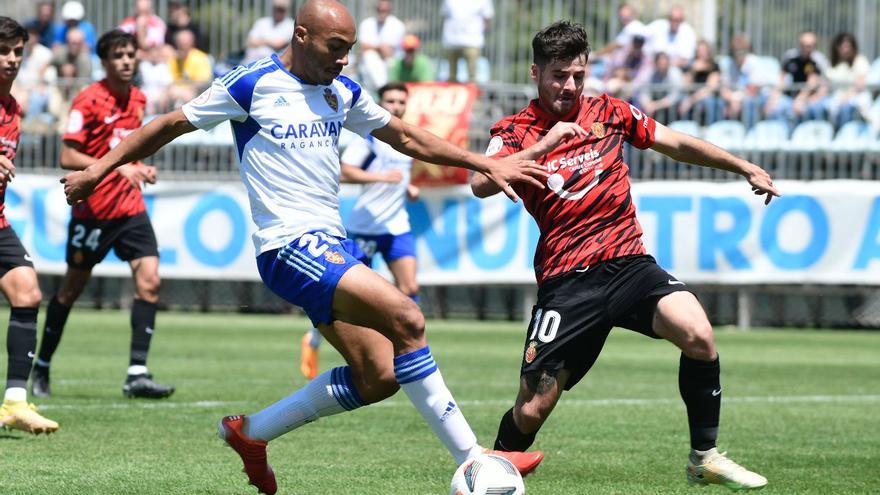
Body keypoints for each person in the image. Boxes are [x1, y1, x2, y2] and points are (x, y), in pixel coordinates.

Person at [60, 1, 547, 493]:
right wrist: (97, 170)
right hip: (288, 245)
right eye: (335, 48)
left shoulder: (341, 91)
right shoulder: (251, 83)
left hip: (331, 245)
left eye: (350, 50)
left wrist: (482, 164)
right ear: (300, 35)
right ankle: (474, 458)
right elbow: (166, 125)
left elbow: (403, 136)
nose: (344, 60)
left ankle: (252, 433)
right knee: (408, 318)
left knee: (379, 375)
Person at [471, 21, 776, 491]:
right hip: (568, 278)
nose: (569, 86)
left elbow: (672, 142)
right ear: (536, 73)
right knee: (533, 408)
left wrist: (741, 165)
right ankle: (488, 477)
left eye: (577, 75)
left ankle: (704, 457)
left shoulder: (609, 112)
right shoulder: (513, 131)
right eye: (558, 76)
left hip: (630, 264)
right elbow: (480, 183)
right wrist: (544, 144)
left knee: (698, 333)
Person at [30, 30, 174, 401]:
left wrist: (139, 167)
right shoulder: (88, 99)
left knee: (150, 282)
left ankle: (137, 374)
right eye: (119, 56)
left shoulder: (139, 99)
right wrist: (116, 169)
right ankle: (42, 365)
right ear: (105, 62)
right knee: (71, 291)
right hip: (92, 213)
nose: (127, 61)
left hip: (130, 210)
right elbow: (68, 156)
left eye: (131, 54)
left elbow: (128, 148)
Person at [299, 81, 420, 380]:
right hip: (365, 225)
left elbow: (398, 177)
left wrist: (408, 187)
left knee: (410, 288)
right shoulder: (369, 139)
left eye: (400, 102)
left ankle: (406, 349)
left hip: (395, 226)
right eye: (390, 101)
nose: (396, 106)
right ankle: (313, 338)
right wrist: (380, 178)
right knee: (351, 295)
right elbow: (345, 171)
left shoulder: (404, 140)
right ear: (381, 103)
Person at [0, 16, 59, 435]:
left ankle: (15, 402)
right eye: (3, 51)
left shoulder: (13, 108)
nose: (11, 59)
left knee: (28, 291)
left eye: (17, 52)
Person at [356, 0, 406, 92]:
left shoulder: (398, 25)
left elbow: (388, 52)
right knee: (370, 56)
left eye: (385, 10)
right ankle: (383, 89)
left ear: (390, 10)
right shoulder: (366, 23)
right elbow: (363, 46)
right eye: (380, 10)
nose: (382, 12)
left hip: (392, 61)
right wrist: (379, 48)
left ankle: (383, 90)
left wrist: (373, 47)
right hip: (370, 63)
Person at [824, 32, 871, 128]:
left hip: (855, 97)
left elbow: (860, 83)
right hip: (836, 98)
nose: (846, 50)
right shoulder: (833, 64)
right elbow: (826, 84)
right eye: (842, 47)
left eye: (848, 46)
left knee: (846, 109)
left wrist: (846, 97)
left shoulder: (860, 60)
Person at [441, 0, 494, 83]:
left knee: (472, 77)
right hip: (452, 40)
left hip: (472, 40)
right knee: (451, 77)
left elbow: (487, 18)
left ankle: (472, 95)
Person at [243, 0, 295, 65]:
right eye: (276, 8)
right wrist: (270, 42)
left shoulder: (290, 25)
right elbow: (250, 42)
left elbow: (278, 45)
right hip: (251, 61)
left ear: (286, 10)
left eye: (281, 9)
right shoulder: (262, 22)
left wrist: (261, 41)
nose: (278, 11)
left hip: (274, 64)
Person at [646, 4, 696, 69]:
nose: (674, 22)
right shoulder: (658, 26)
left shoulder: (688, 32)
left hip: (675, 69)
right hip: (654, 67)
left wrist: (665, 65)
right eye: (672, 19)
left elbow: (685, 60)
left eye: (677, 20)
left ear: (682, 20)